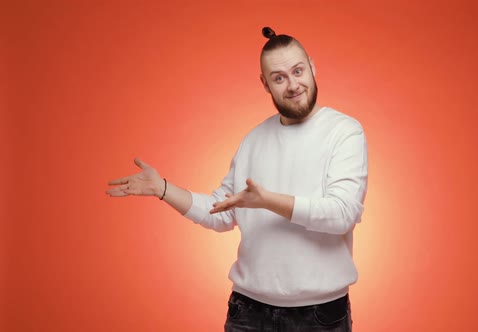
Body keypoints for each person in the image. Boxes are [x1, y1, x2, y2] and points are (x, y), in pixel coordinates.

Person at [106, 26, 368, 332]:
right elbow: (222, 211)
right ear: (265, 84)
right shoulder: (254, 139)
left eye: (298, 71)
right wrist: (163, 189)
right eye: (279, 77)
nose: (293, 85)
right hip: (248, 312)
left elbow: (342, 215)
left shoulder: (344, 132)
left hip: (319, 316)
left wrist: (267, 201)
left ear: (312, 66)